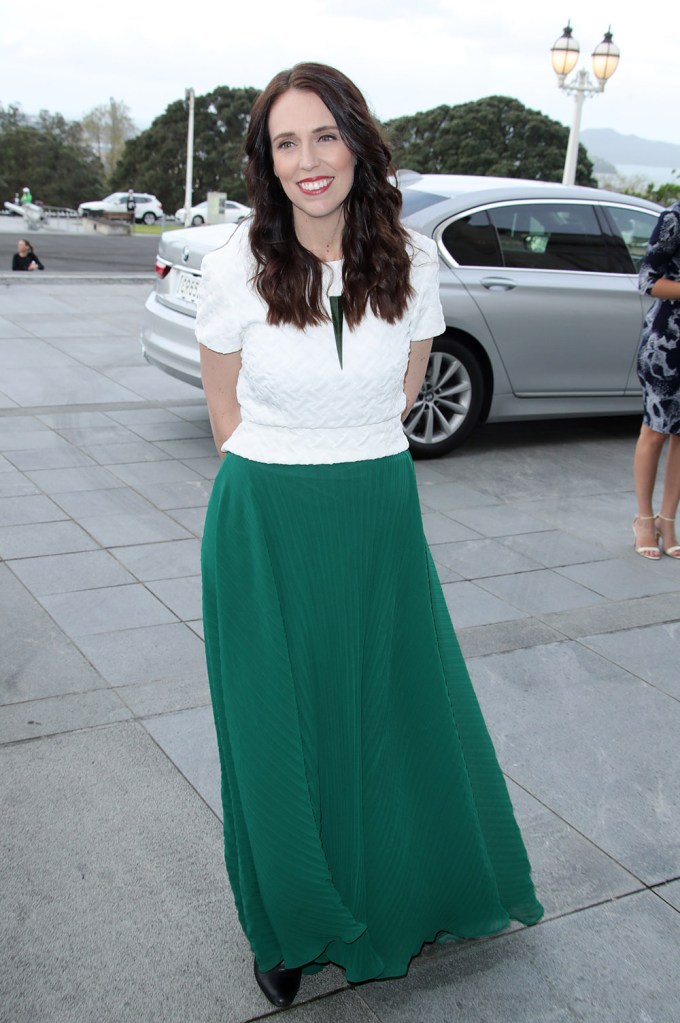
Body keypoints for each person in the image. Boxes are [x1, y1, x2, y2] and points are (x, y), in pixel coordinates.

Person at [196, 62, 543, 1009]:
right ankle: (292, 923)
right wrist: (294, 470)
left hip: (378, 512)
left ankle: (399, 889)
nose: (308, 160)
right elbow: (224, 415)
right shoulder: (234, 263)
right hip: (267, 522)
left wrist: (348, 458)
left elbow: (401, 392)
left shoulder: (415, 259)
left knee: (390, 711)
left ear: (356, 139)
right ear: (267, 162)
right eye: (285, 142)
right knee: (282, 732)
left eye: (324, 135)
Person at [632, 199, 680, 559]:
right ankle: (644, 519)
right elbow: (647, 280)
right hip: (667, 345)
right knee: (656, 431)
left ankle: (668, 519)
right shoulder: (674, 218)